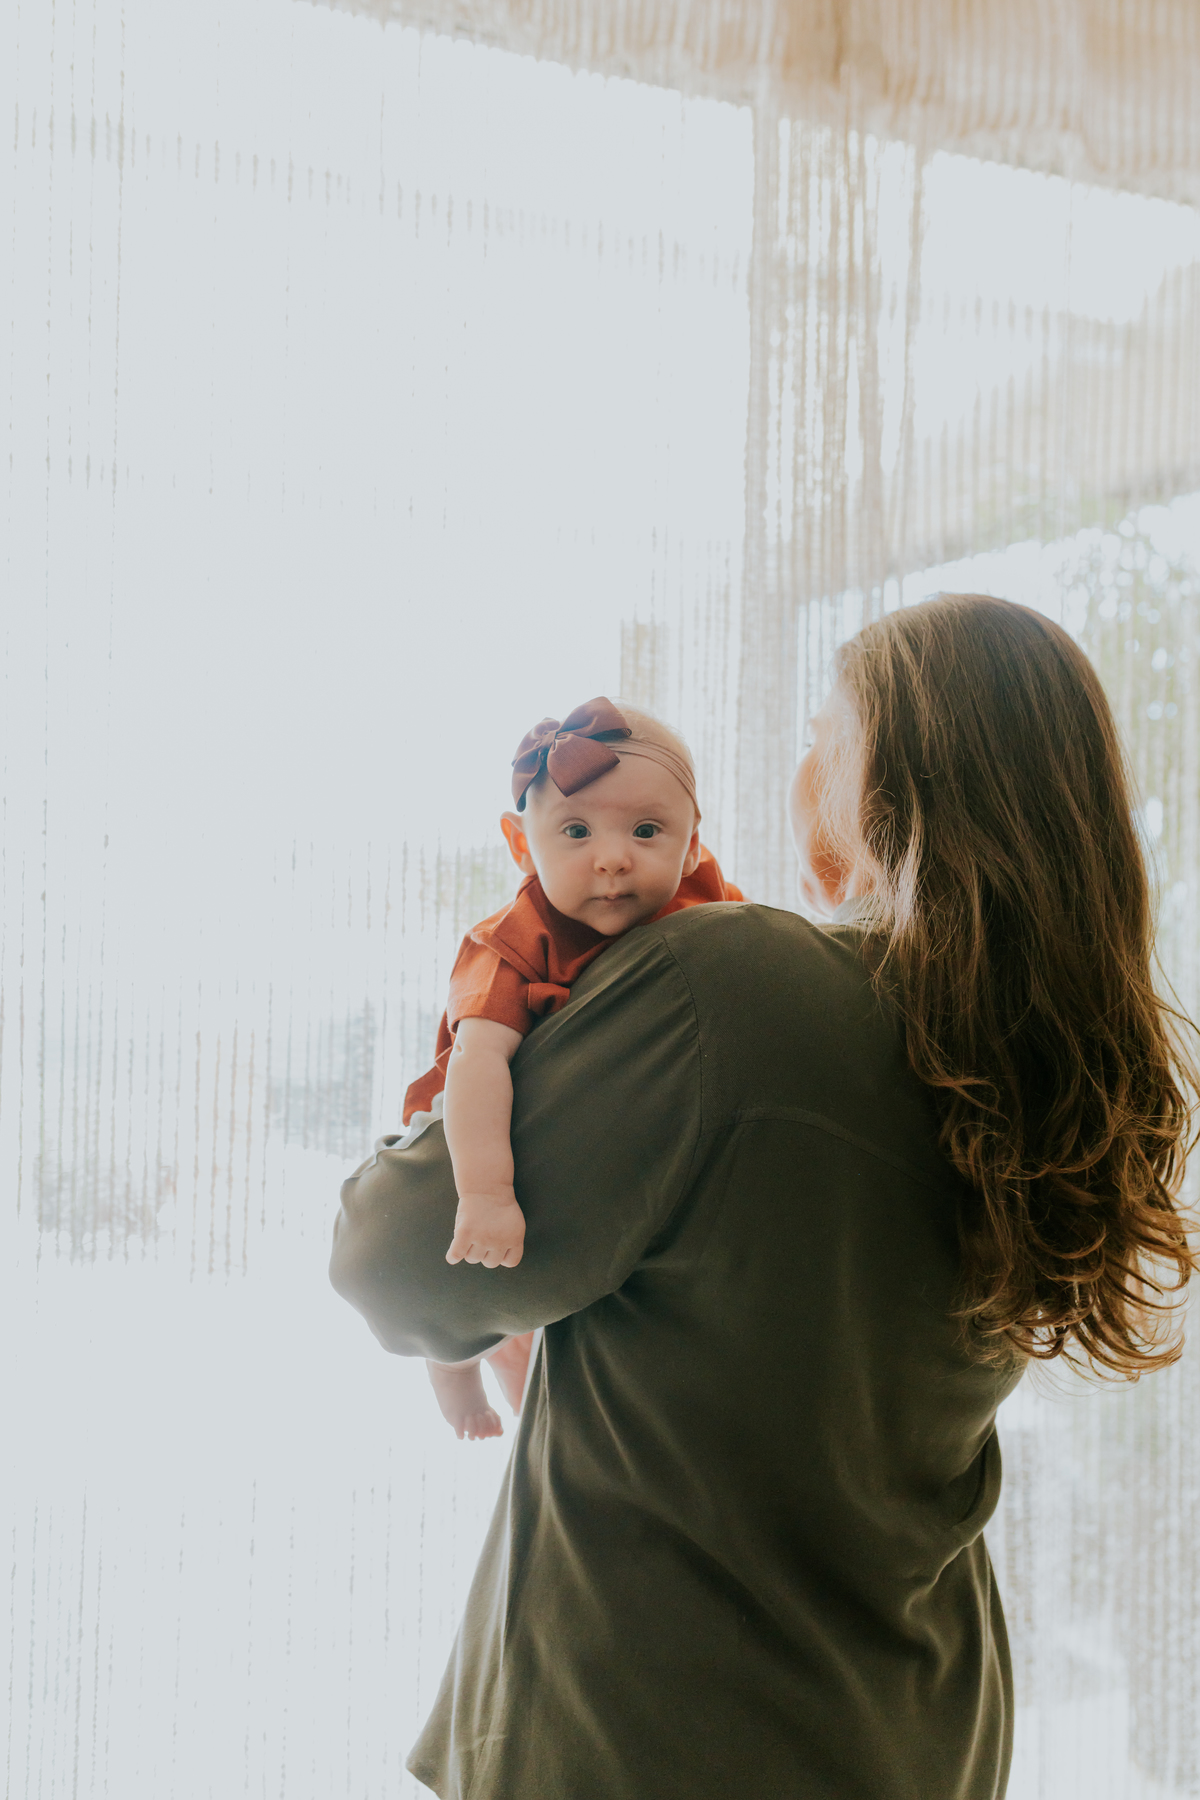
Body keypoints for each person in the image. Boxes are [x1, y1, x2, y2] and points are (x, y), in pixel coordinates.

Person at [330, 594, 1197, 1800]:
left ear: (884, 792)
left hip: (653, 1737)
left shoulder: (730, 983)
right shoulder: (1054, 1066)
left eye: (822, 736)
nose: (798, 770)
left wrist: (490, 1030)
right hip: (920, 1734)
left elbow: (388, 1258)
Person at [401, 696, 741, 1440]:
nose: (614, 857)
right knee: (460, 1269)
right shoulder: (511, 941)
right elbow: (478, 1061)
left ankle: (518, 1380)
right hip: (478, 1126)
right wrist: (486, 1192)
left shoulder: (706, 906)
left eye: (647, 832)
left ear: (690, 846)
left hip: (598, 1133)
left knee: (549, 1324)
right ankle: (453, 1374)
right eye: (576, 832)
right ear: (522, 846)